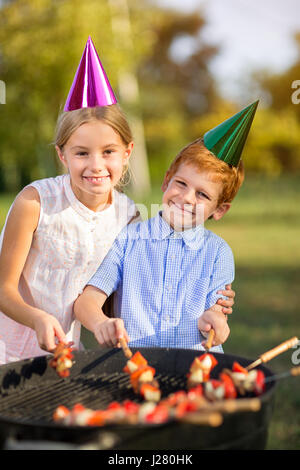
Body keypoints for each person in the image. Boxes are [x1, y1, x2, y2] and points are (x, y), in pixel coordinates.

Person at [0, 37, 234, 364]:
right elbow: (3, 288)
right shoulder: (35, 202)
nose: (96, 165)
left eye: (108, 152)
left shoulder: (127, 215)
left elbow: (116, 292)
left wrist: (215, 305)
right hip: (8, 340)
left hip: (63, 346)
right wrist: (38, 317)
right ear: (62, 154)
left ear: (127, 153)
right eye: (82, 153)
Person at [74, 101, 258, 352]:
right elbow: (88, 301)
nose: (187, 198)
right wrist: (100, 323)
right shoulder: (129, 239)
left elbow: (218, 312)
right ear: (166, 181)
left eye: (202, 195)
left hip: (193, 367)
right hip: (134, 365)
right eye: (181, 183)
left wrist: (215, 322)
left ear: (220, 210)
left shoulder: (218, 253)